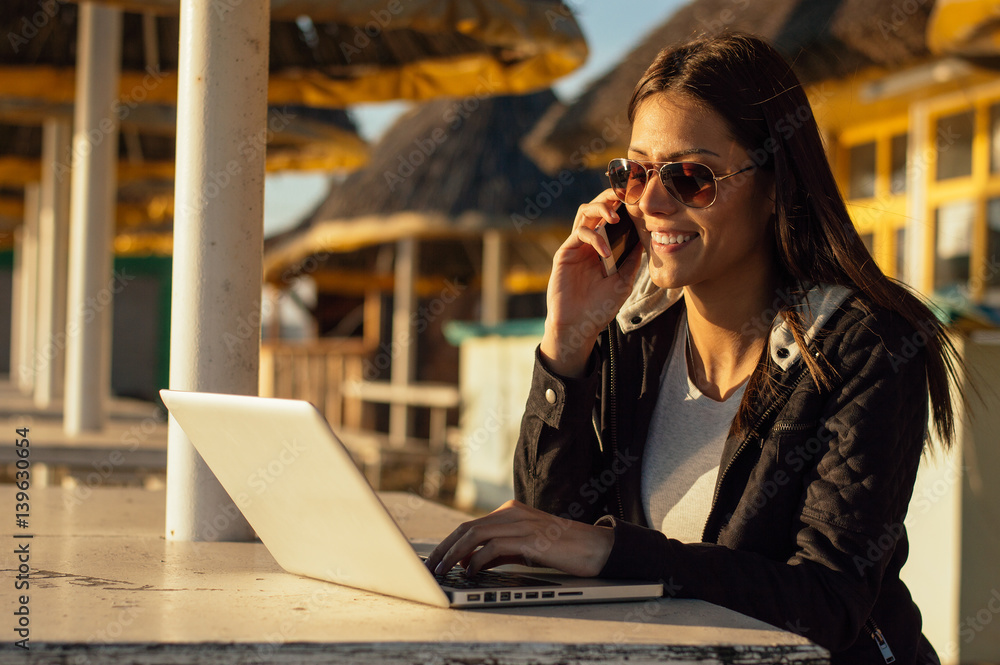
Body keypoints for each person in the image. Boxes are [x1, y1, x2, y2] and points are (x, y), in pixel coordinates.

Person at [425, 31, 961, 665]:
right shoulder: (636, 334)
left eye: (689, 177)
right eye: (634, 173)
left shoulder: (863, 344)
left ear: (773, 186)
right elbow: (547, 532)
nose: (651, 202)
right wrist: (566, 344)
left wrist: (610, 550)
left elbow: (827, 603)